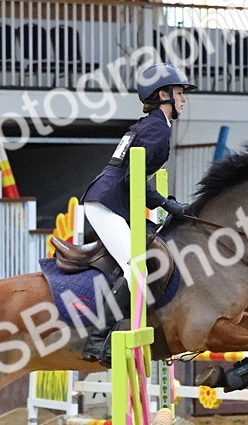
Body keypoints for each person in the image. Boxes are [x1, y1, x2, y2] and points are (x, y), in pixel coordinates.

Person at [79, 62, 196, 366]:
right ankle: (96, 339)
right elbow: (133, 180)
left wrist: (162, 202)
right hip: (107, 203)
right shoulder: (155, 129)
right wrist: (167, 204)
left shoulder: (153, 126)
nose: (184, 99)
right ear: (163, 94)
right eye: (180, 92)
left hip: (115, 202)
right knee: (138, 269)